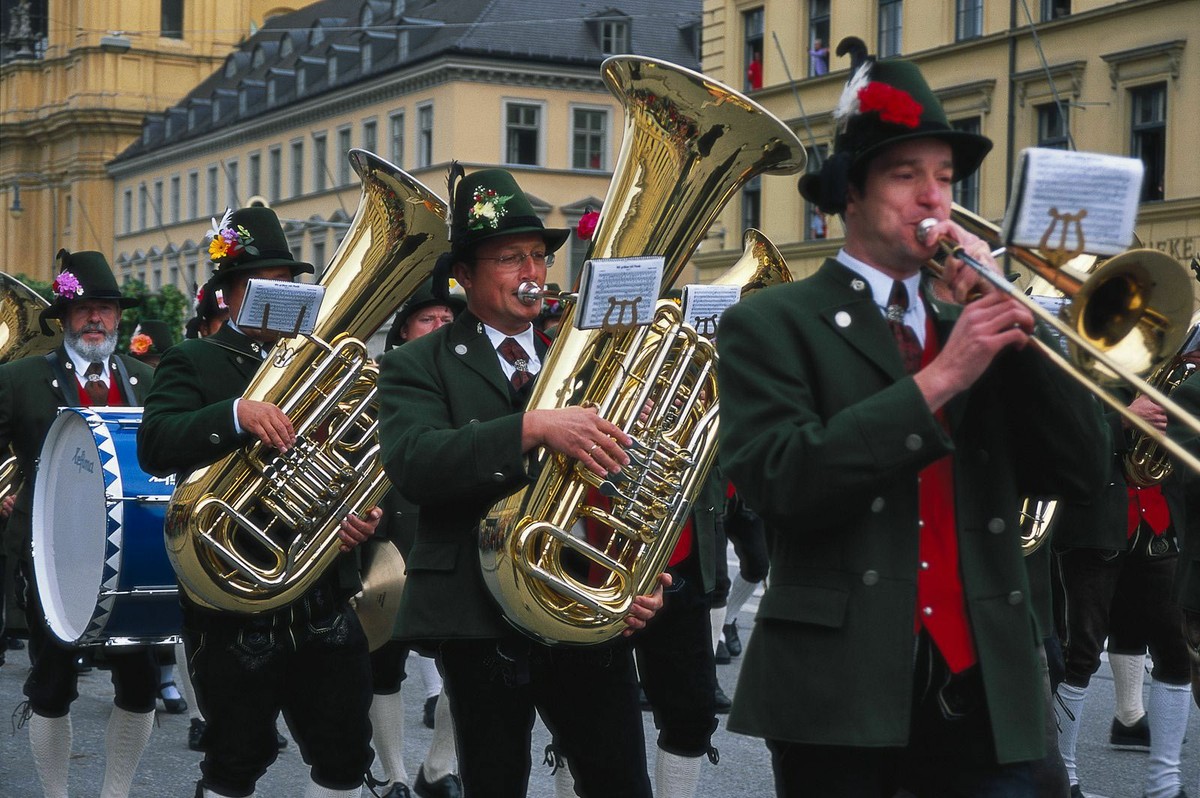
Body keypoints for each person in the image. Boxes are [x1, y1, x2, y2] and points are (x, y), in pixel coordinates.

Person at [716, 39, 1108, 796]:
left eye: (945, 177)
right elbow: (779, 482)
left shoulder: (974, 317)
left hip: (989, 683)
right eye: (906, 175)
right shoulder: (772, 322)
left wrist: (1015, 328)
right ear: (850, 195)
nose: (934, 197)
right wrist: (944, 376)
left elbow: (1081, 471)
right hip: (839, 694)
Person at [377, 166, 666, 798]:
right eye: (510, 259)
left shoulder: (589, 362)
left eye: (537, 257)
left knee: (621, 782)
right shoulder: (414, 363)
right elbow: (416, 464)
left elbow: (631, 484)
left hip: (582, 602)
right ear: (466, 276)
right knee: (496, 782)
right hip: (477, 614)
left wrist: (638, 570)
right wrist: (530, 428)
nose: (531, 273)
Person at [138, 206, 380, 798]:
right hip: (235, 598)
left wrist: (363, 515)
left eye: (288, 282)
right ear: (228, 294)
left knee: (347, 754)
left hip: (320, 591)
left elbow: (365, 458)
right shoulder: (195, 359)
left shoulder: (324, 365)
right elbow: (155, 444)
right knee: (235, 758)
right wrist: (235, 414)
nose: (282, 293)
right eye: (261, 281)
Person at [0, 249, 157, 798]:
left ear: (119, 318)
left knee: (139, 688)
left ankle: (116, 792)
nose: (97, 319)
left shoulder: (147, 378)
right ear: (64, 317)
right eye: (85, 308)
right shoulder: (18, 379)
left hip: (130, 554)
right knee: (52, 686)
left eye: (107, 308)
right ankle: (56, 793)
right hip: (51, 556)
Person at [1051, 394, 1191, 798]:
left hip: (1161, 524)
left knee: (1175, 653)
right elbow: (1061, 437)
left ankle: (1164, 785)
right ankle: (1066, 782)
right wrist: (1124, 418)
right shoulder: (1084, 361)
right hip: (1094, 522)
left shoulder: (1172, 367)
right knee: (1079, 654)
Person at [368, 277, 465, 798]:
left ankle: (436, 766)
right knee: (384, 663)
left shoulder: (471, 375)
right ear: (404, 331)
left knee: (461, 659)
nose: (441, 326)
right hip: (387, 534)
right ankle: (393, 774)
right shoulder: (377, 381)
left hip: (448, 529)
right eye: (430, 318)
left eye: (449, 320)